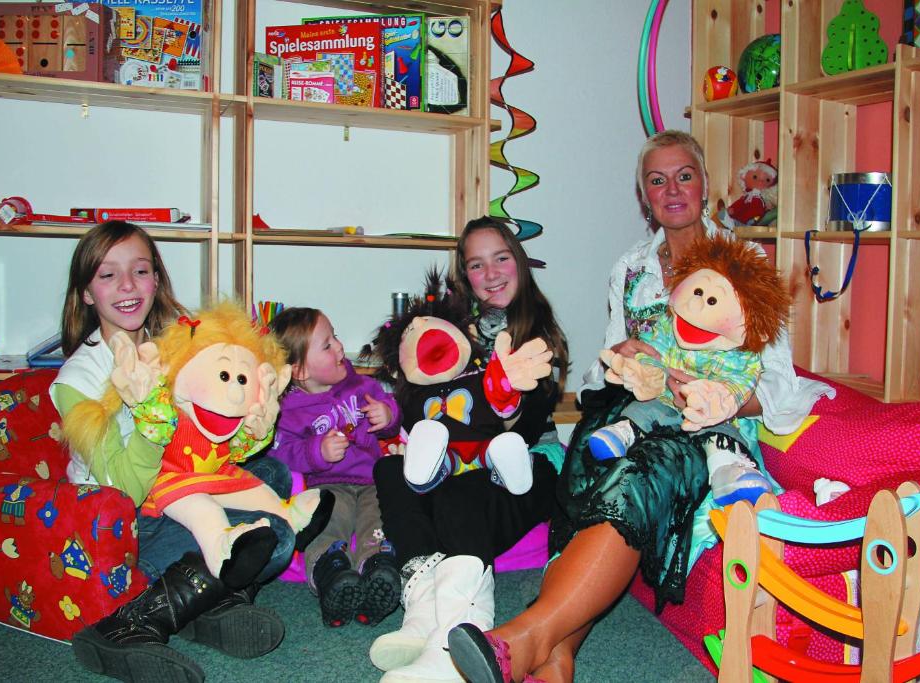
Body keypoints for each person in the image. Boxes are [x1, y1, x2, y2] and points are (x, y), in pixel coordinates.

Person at [446, 131, 833, 683]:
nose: (672, 190)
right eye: (657, 180)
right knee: (590, 460)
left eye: (684, 176)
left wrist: (715, 398)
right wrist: (620, 359)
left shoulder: (743, 262)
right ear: (644, 195)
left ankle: (522, 639)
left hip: (705, 426)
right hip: (633, 413)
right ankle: (556, 660)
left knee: (635, 477)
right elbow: (601, 372)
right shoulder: (629, 268)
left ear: (704, 185)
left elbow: (776, 378)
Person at [50, 221, 298, 683]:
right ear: (85, 292)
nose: (128, 285)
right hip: (127, 520)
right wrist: (152, 423)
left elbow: (208, 449)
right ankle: (129, 625)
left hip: (175, 488)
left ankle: (207, 602)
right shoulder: (76, 380)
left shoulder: (172, 345)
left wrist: (253, 421)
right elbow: (124, 490)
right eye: (108, 275)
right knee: (277, 536)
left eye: (140, 271)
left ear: (156, 280)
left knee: (274, 476)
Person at [369, 216, 569, 683]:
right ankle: (423, 608)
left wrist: (500, 392)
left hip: (523, 462)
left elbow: (526, 428)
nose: (491, 273)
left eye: (501, 258)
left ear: (519, 262)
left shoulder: (538, 336)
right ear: (465, 275)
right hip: (458, 459)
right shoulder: (454, 331)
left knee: (461, 493)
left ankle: (459, 637)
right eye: (477, 265)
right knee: (390, 471)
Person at [267, 307, 403, 628]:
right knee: (328, 521)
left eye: (336, 337)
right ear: (299, 371)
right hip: (328, 483)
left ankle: (377, 565)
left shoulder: (361, 386)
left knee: (380, 519)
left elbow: (391, 410)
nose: (340, 347)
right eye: (327, 345)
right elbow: (282, 452)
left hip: (372, 479)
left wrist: (387, 414)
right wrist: (317, 451)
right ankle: (331, 572)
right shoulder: (289, 411)